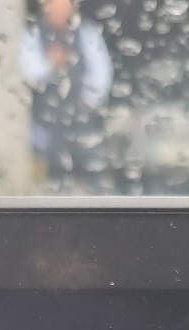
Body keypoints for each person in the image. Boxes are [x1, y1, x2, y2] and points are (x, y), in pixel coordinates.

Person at [20, 0, 113, 192]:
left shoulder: (86, 31)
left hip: (81, 110)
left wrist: (90, 99)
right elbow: (27, 69)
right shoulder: (34, 33)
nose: (59, 9)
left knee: (90, 159)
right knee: (54, 162)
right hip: (48, 113)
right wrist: (49, 63)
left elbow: (101, 69)